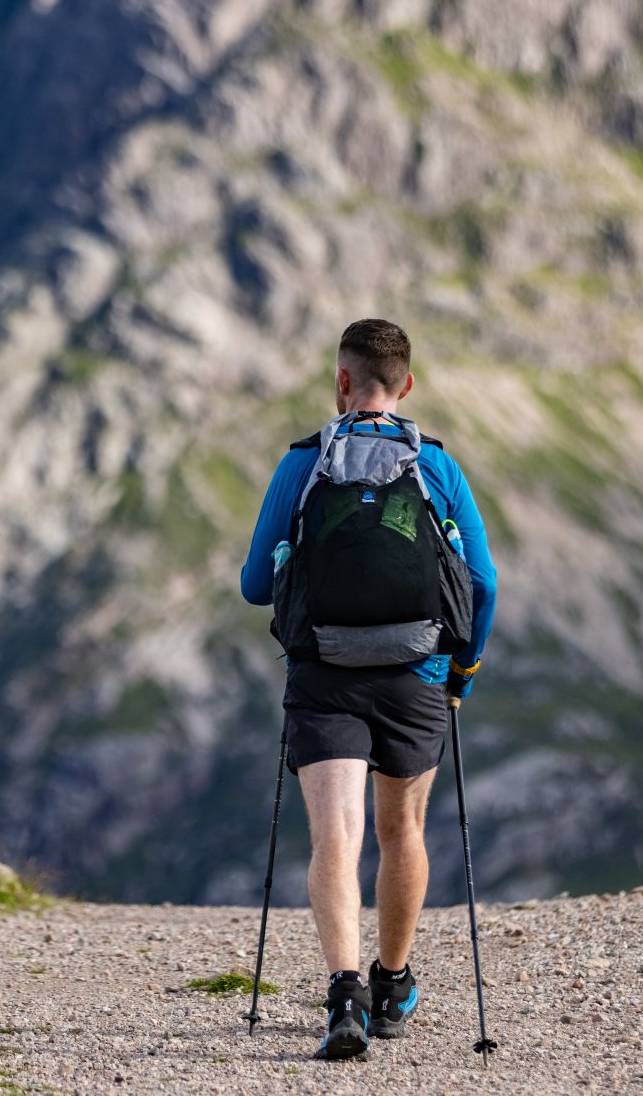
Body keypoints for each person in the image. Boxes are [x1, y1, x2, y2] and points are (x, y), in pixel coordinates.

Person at [239, 318, 498, 1061]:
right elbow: (482, 583)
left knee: (336, 836)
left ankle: (343, 996)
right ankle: (393, 987)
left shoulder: (303, 463)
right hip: (417, 677)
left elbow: (257, 585)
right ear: (407, 385)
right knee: (401, 832)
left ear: (341, 380)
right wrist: (462, 671)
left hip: (323, 675)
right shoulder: (439, 467)